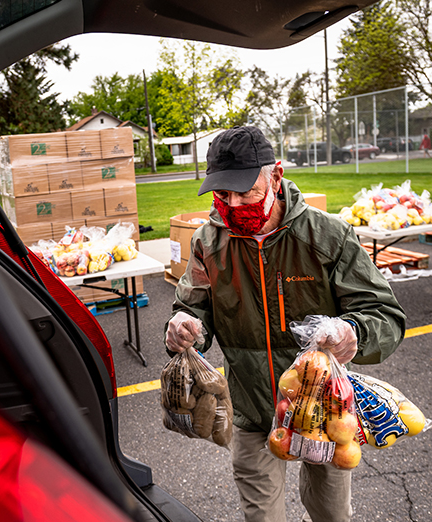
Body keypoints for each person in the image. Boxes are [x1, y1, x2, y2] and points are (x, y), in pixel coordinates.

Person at [164, 126, 406, 522]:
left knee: (331, 514)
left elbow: (385, 315)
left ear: (276, 176)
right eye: (222, 194)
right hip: (252, 409)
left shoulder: (328, 236)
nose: (234, 203)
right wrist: (184, 324)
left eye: (246, 192)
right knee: (262, 517)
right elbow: (194, 305)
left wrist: (354, 333)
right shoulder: (208, 242)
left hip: (325, 411)